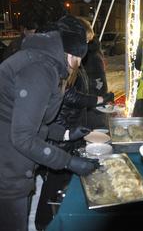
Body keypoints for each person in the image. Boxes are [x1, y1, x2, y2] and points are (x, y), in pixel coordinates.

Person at [0, 17, 101, 231]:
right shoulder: (40, 69)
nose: (80, 63)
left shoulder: (43, 60)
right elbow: (23, 136)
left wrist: (65, 134)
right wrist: (69, 162)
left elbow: (33, 121)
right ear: (72, 52)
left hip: (10, 159)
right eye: (79, 57)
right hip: (6, 168)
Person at [34, 16, 113, 230]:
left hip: (65, 127)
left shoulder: (72, 60)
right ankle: (43, 222)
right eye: (85, 40)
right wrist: (97, 99)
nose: (86, 46)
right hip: (58, 129)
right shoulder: (59, 64)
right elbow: (69, 96)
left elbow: (74, 93)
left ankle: (52, 215)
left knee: (58, 180)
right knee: (54, 180)